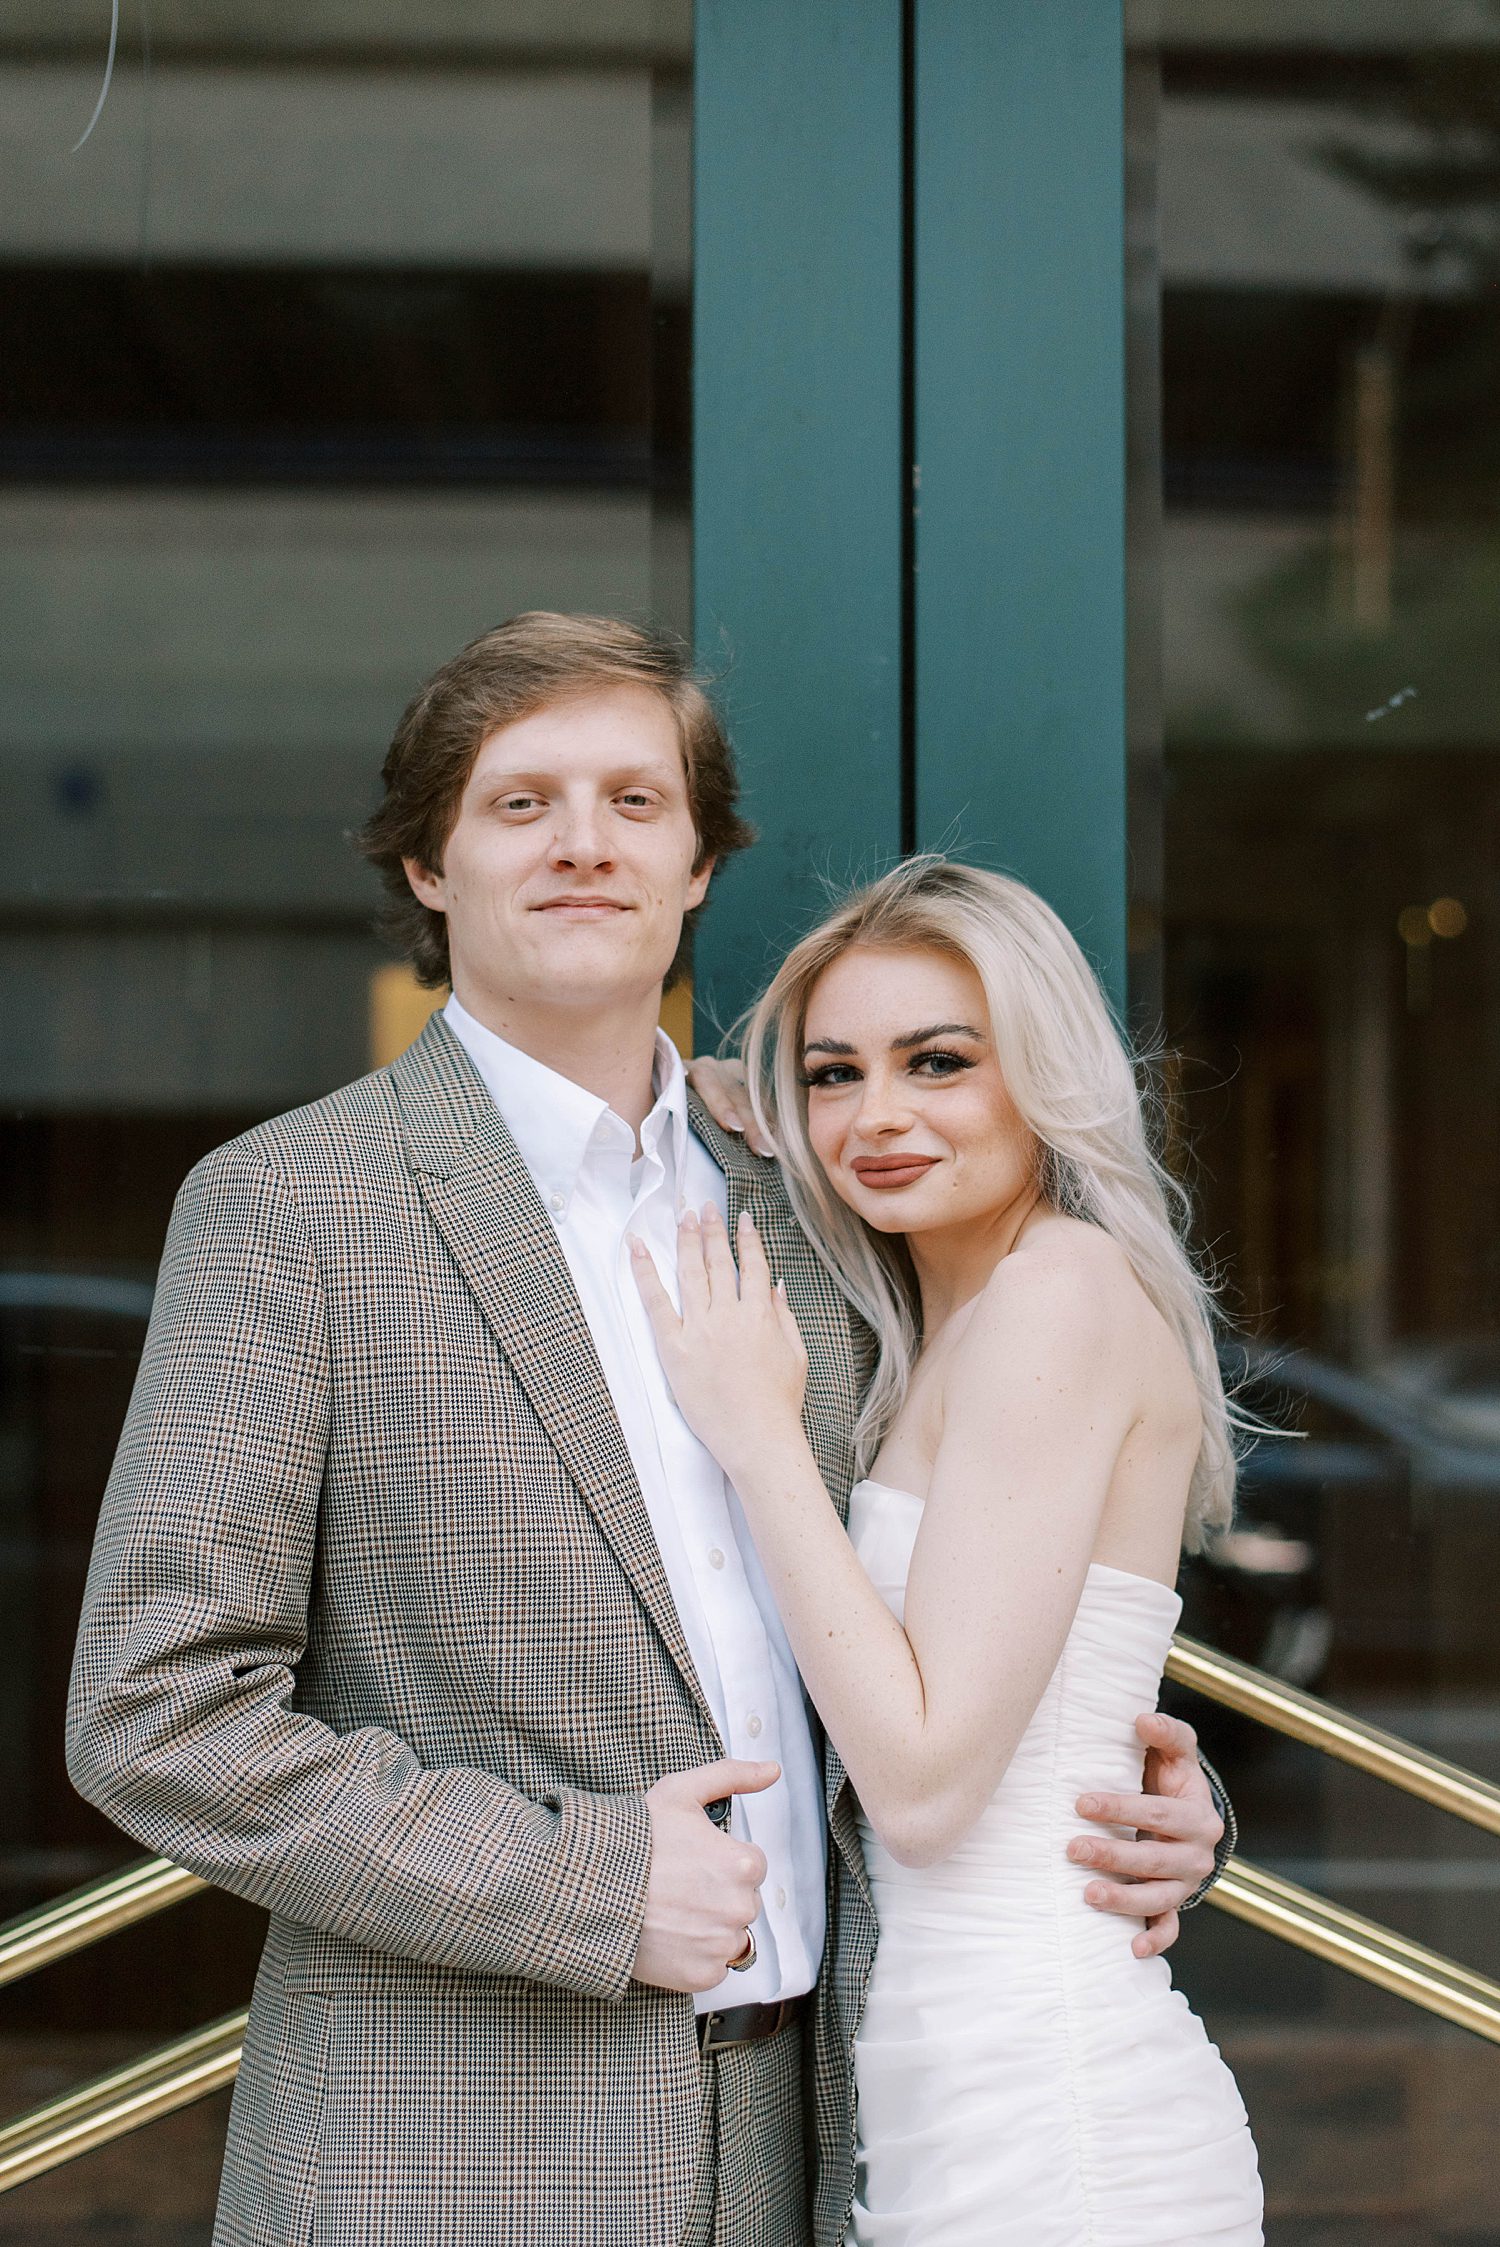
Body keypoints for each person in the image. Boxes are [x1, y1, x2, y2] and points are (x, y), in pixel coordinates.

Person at [66, 616, 1232, 2247]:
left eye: (634, 801)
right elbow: (156, 1715)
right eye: (521, 803)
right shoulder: (291, 1211)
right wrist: (588, 1886)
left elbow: (950, 1610)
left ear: (698, 866)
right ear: (427, 864)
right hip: (440, 2156)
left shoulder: (818, 1205)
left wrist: (1152, 1809)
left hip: (808, 2147)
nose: (583, 845)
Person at [641, 855, 1264, 2245]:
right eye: (833, 1074)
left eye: (938, 1063)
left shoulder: (1058, 1298)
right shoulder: (946, 1321)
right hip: (939, 2099)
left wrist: (760, 1440)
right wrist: (714, 1102)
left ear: (1042, 1072)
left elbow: (923, 1789)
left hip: (1054, 2120)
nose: (878, 1117)